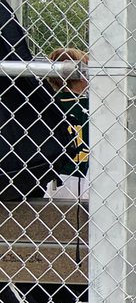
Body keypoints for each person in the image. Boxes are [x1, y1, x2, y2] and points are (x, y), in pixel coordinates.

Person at [43, 48, 89, 200]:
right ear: (82, 76)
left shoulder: (45, 105)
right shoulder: (91, 105)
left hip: (53, 176)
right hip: (87, 174)